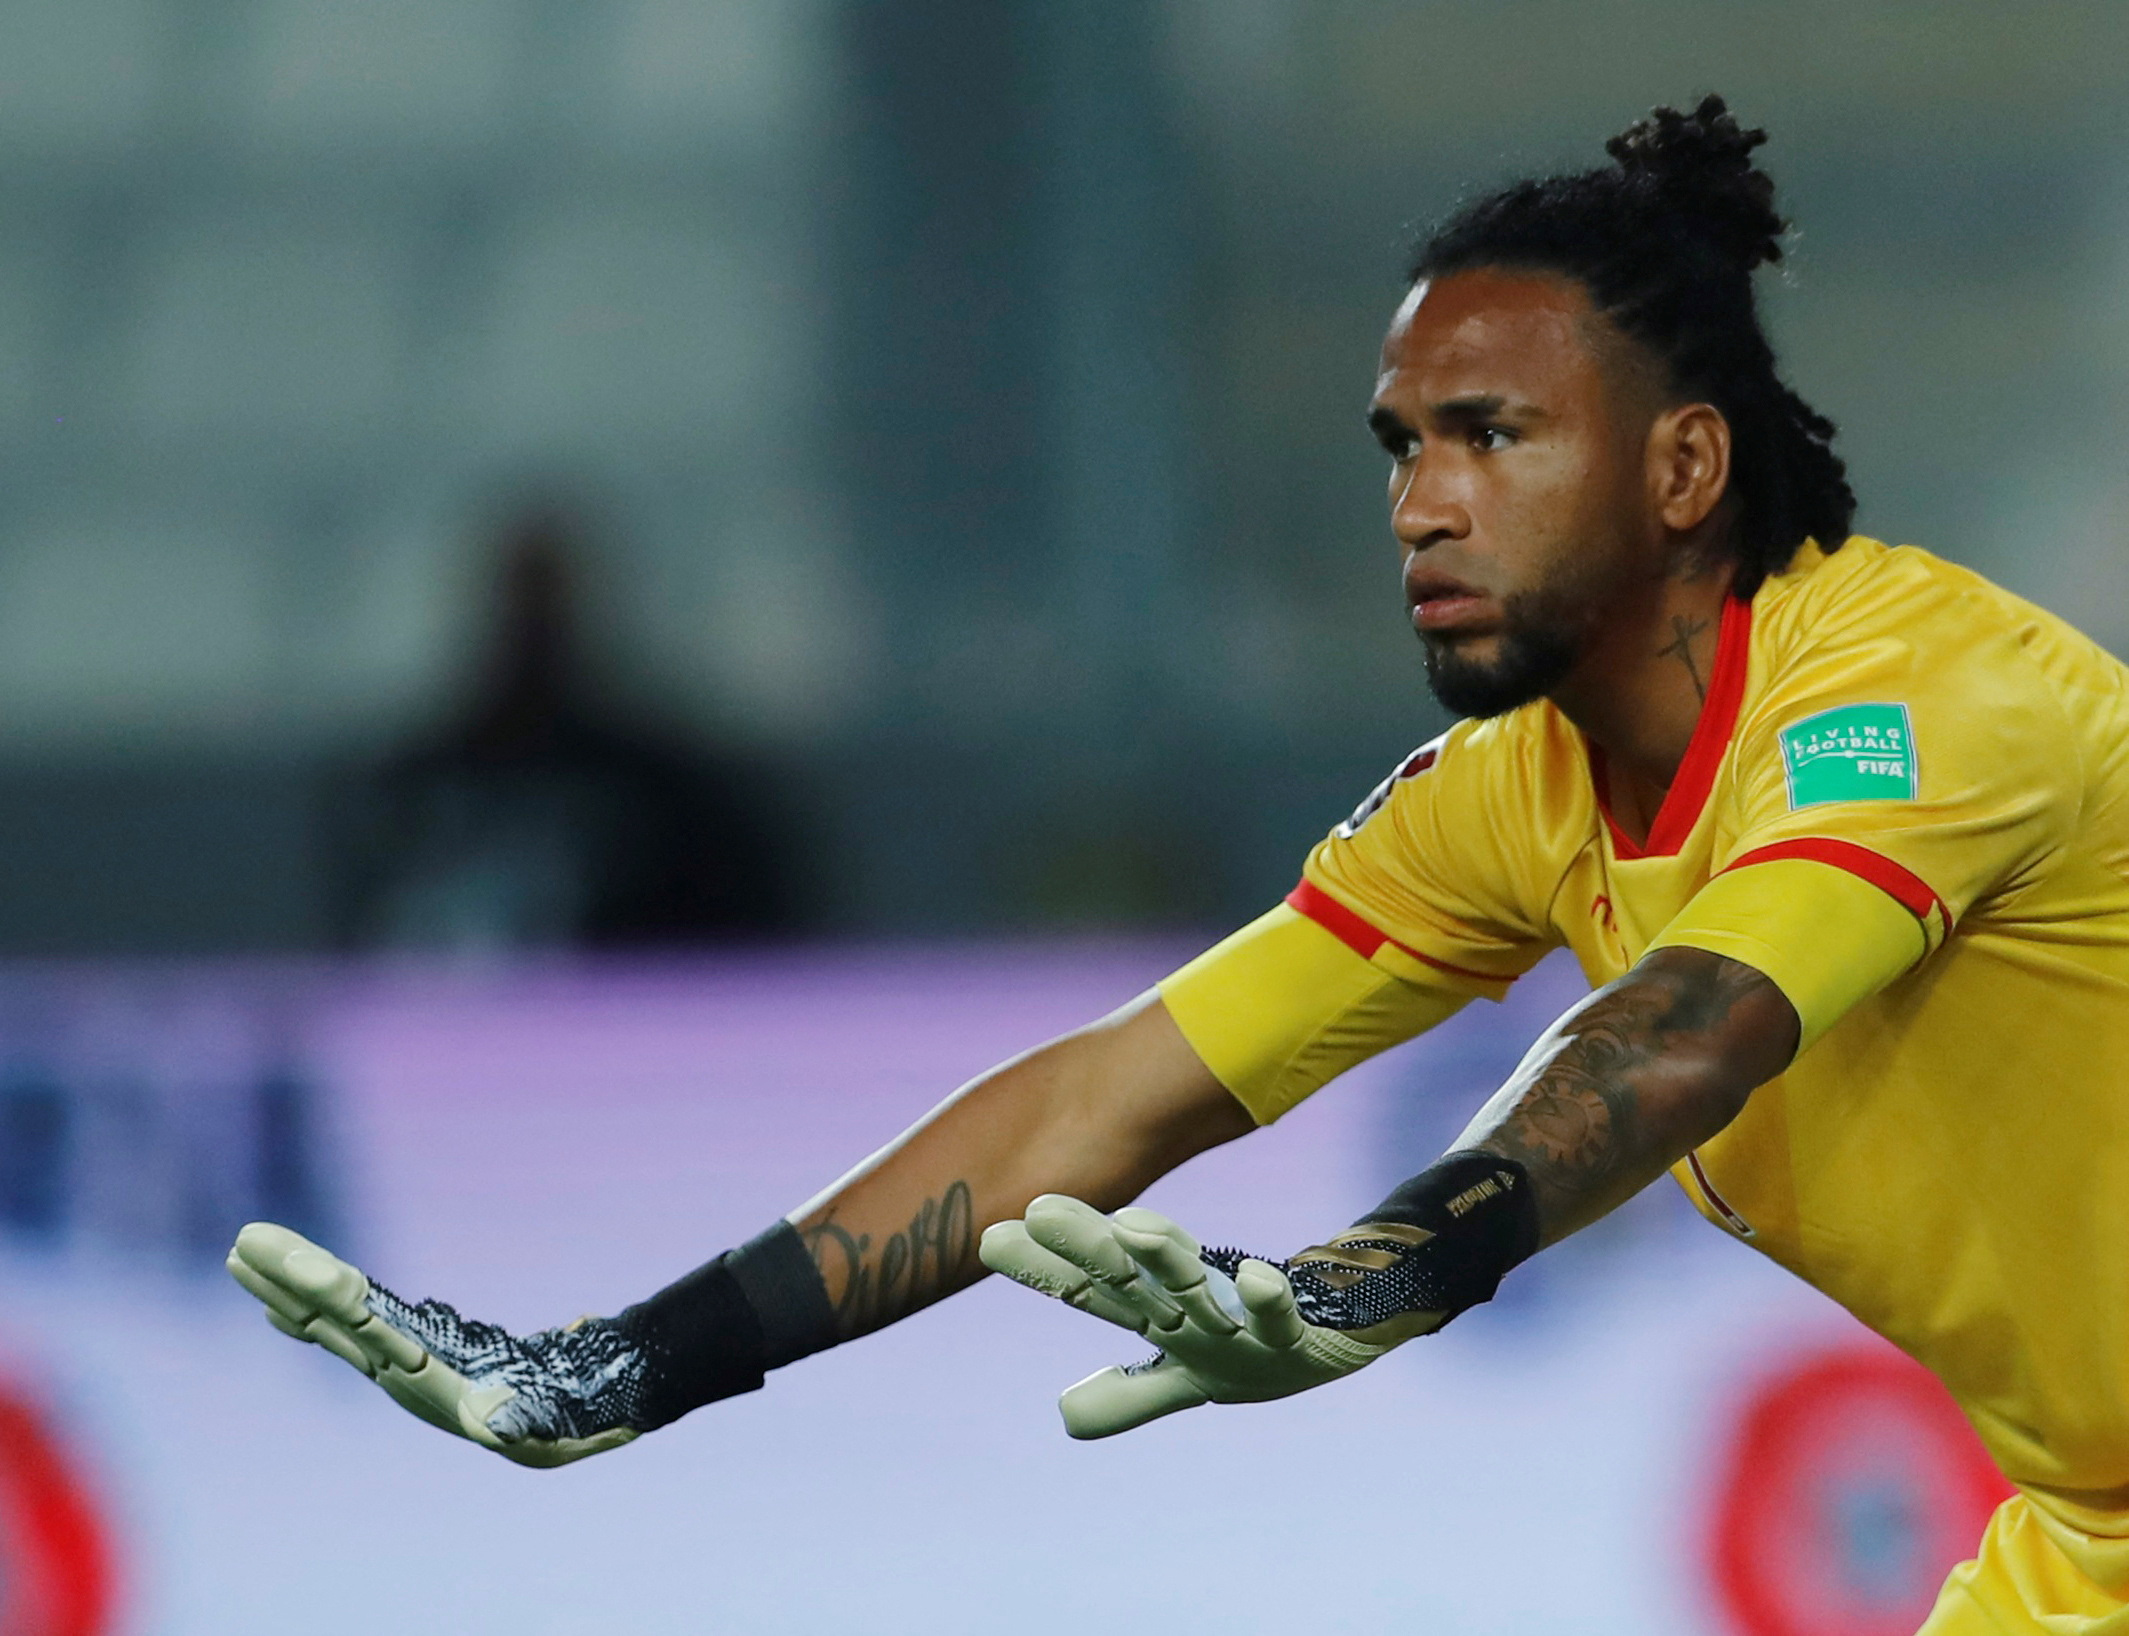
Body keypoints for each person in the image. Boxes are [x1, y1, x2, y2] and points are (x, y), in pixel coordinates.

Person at [229, 98, 2129, 1635]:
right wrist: (624, 1367)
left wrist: (1377, 1277)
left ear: (1685, 468)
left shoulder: (1913, 691)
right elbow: (1093, 1103)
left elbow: (1690, 1025)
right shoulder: (1509, 792)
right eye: (1399, 446)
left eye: (1493, 434)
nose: (1420, 502)